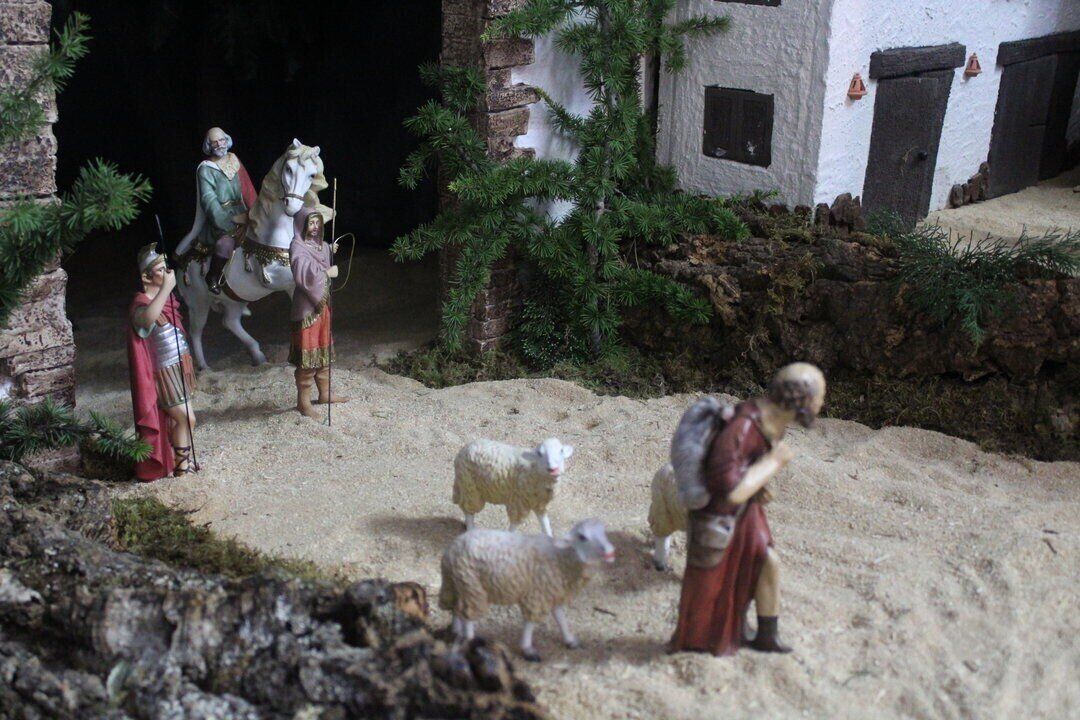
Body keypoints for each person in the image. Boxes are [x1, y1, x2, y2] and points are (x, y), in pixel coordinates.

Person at [670, 362, 826, 656]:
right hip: (721, 518)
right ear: (801, 398)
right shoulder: (742, 427)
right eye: (819, 397)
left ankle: (767, 635)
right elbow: (729, 491)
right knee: (714, 589)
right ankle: (706, 642)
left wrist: (760, 483)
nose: (821, 404)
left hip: (747, 514)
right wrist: (773, 463)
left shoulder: (773, 423)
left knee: (768, 563)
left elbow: (745, 470)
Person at [127, 243, 198, 479]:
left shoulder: (165, 301)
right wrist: (166, 289)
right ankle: (181, 465)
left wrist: (166, 291)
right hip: (164, 371)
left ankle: (181, 464)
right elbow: (146, 319)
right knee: (186, 418)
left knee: (185, 420)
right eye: (161, 269)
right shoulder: (141, 303)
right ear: (147, 277)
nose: (168, 272)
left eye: (167, 266)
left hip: (180, 365)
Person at [176, 127, 258, 294]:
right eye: (215, 142)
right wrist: (229, 221)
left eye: (222, 140)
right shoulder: (206, 169)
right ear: (209, 145)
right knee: (225, 244)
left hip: (243, 211)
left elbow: (247, 188)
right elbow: (209, 200)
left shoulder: (234, 160)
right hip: (220, 218)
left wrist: (256, 211)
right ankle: (213, 276)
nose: (220, 144)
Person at [288, 207, 347, 418]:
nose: (315, 227)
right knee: (308, 353)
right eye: (311, 223)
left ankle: (325, 393)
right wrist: (326, 272)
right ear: (302, 225)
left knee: (323, 350)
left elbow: (319, 254)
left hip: (323, 307)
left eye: (317, 223)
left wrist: (329, 249)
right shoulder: (297, 246)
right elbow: (302, 271)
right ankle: (303, 402)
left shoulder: (320, 245)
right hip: (307, 309)